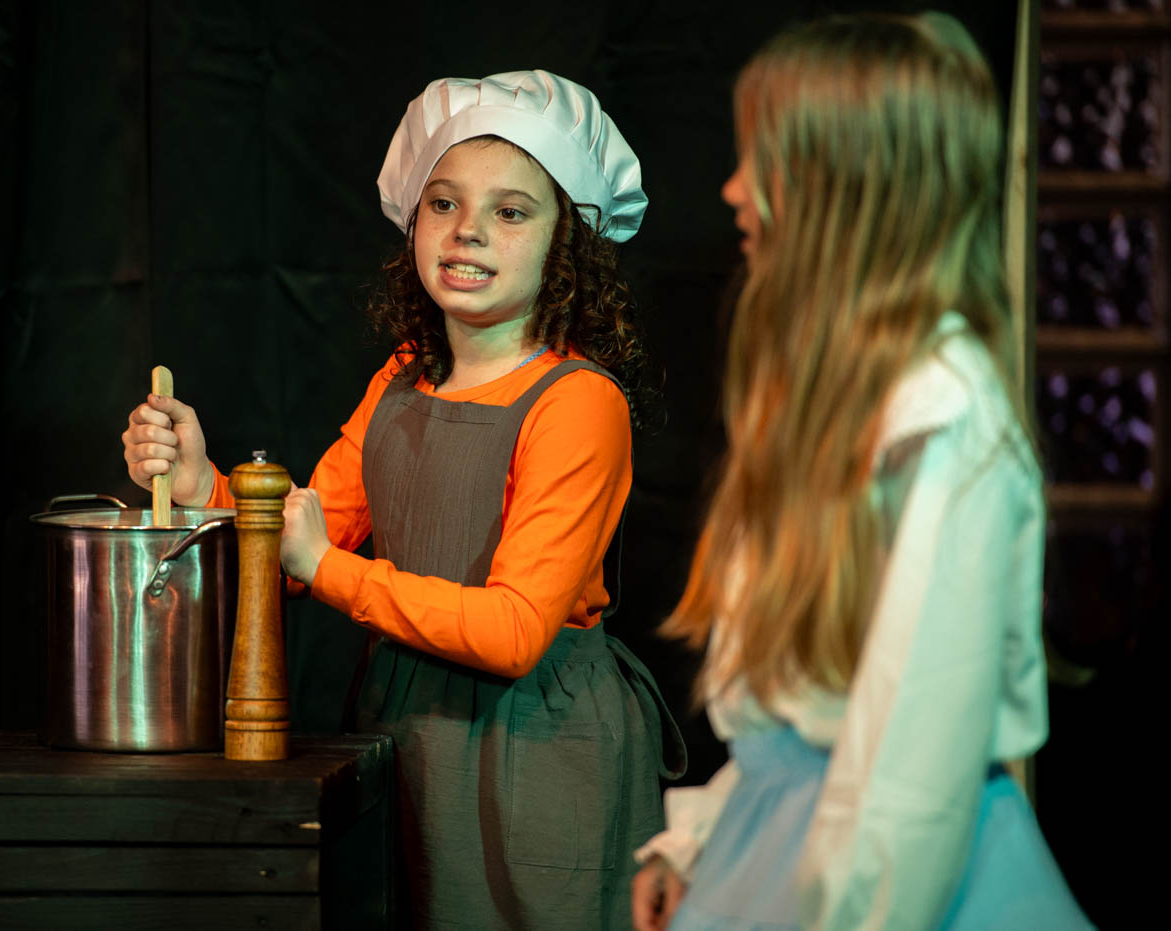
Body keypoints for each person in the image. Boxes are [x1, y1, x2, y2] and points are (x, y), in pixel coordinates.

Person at [122, 69, 685, 930]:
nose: (467, 231)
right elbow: (302, 541)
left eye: (510, 211)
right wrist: (204, 486)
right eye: (443, 203)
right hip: (405, 729)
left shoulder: (577, 402)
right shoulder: (401, 380)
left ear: (566, 241)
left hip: (533, 743)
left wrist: (331, 569)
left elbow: (512, 631)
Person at [630, 12, 1090, 931]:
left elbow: (912, 753)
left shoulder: (942, 412)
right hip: (787, 845)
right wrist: (711, 836)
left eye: (762, 162)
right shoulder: (828, 392)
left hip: (891, 879)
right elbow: (813, 709)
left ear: (844, 187)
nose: (731, 190)